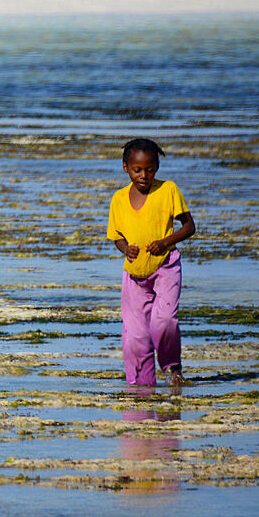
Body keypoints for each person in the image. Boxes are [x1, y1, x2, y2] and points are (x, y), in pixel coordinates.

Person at [106, 138, 196, 387]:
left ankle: (173, 367)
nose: (144, 175)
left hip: (166, 266)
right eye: (137, 170)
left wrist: (165, 242)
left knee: (163, 321)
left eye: (150, 169)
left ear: (156, 168)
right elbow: (116, 237)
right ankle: (142, 388)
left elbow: (189, 227)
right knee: (135, 337)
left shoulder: (168, 190)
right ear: (126, 167)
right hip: (134, 275)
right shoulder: (118, 199)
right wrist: (126, 249)